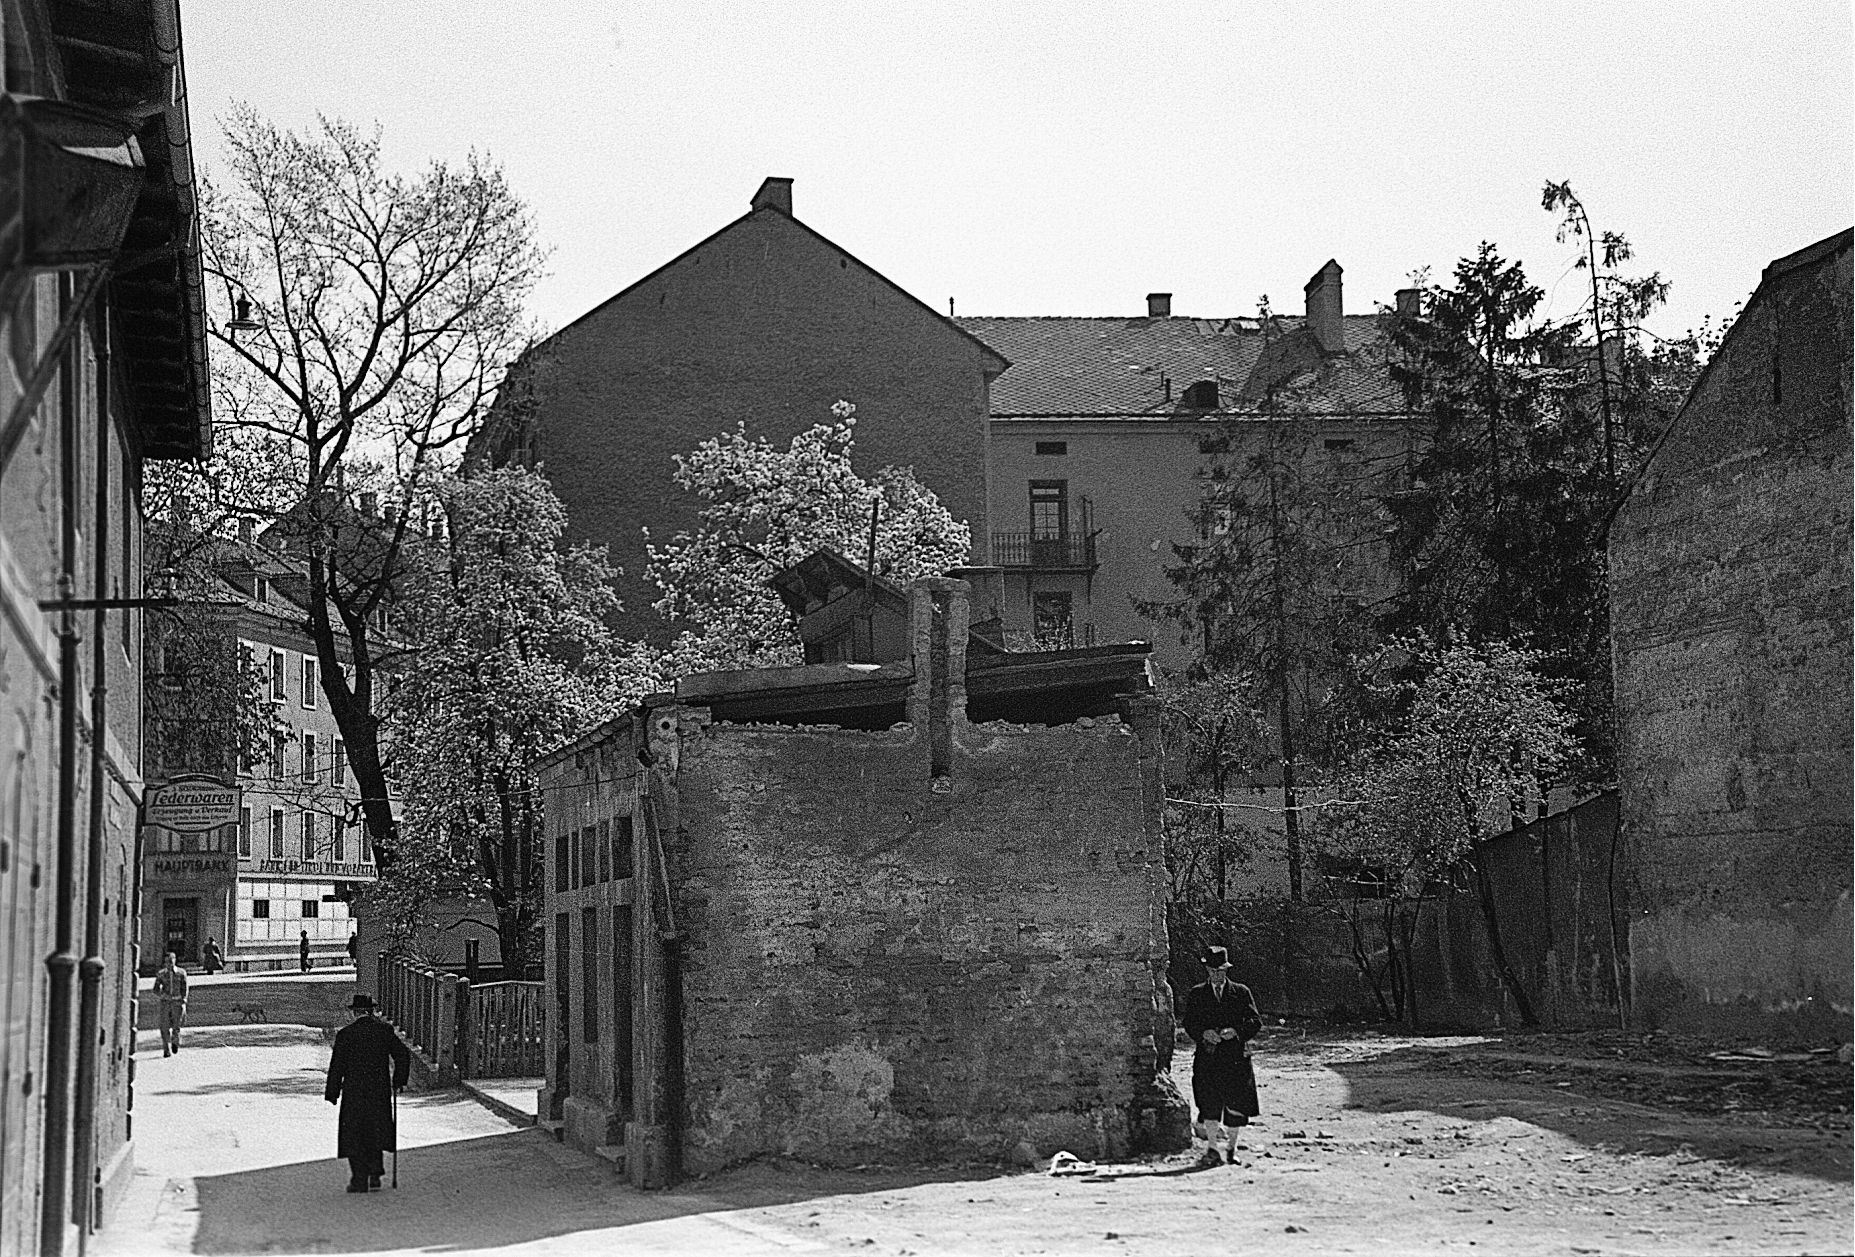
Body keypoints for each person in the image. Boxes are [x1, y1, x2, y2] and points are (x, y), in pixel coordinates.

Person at [1180, 944, 1262, 1164]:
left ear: (1227, 970)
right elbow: (1189, 1022)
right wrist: (1203, 1033)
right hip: (1208, 1058)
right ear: (1207, 970)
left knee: (1236, 1104)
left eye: (1221, 971)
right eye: (1213, 971)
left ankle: (1231, 1150)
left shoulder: (1241, 992)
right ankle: (1213, 1149)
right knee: (1209, 1103)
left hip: (1235, 1058)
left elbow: (1255, 1021)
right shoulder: (1198, 994)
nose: (1217, 975)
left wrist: (1236, 1031)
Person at [324, 992, 410, 1192]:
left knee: (355, 1132)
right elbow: (402, 1055)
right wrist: (398, 1080)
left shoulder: (346, 1034)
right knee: (375, 1129)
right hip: (378, 1089)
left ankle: (359, 1179)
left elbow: (337, 1066)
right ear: (370, 1011)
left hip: (354, 1091)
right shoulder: (383, 1031)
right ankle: (375, 1173)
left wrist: (332, 1092)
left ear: (355, 1013)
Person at [152, 951, 189, 1057]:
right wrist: (162, 995)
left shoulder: (181, 973)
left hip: (177, 1002)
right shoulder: (161, 974)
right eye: (167, 962)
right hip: (166, 1003)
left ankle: (175, 1042)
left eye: (171, 961)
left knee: (176, 1026)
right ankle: (166, 1049)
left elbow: (185, 987)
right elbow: (155, 989)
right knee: (164, 1027)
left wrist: (184, 1000)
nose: (169, 964)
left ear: (175, 960)